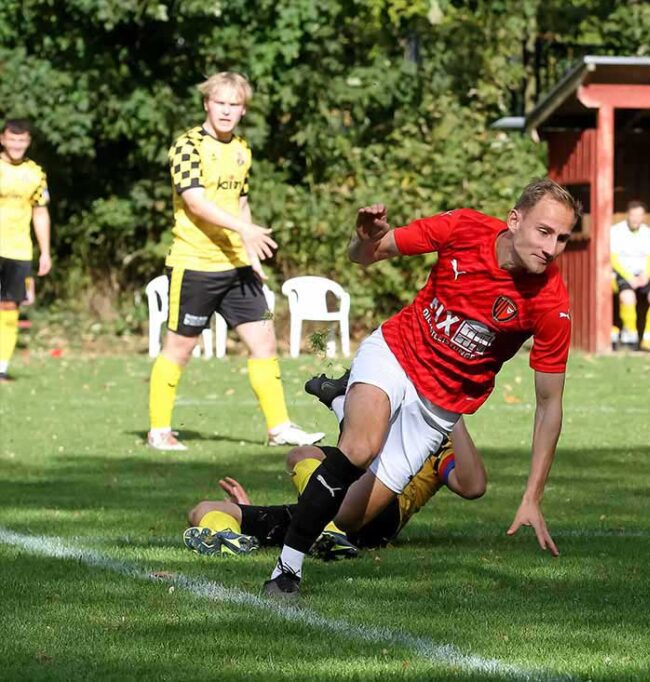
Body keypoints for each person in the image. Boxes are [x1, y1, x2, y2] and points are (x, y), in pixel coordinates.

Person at [261, 178, 577, 599]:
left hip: (438, 408)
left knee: (354, 517)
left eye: (562, 238)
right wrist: (363, 241)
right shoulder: (464, 229)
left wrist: (533, 496)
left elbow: (549, 405)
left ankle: (340, 401)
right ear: (514, 220)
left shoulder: (551, 302)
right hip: (396, 352)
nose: (551, 247)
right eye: (544, 231)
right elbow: (366, 255)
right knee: (359, 447)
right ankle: (287, 571)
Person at [147, 72, 323, 451]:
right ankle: (159, 430)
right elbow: (195, 201)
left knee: (264, 343)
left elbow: (240, 202)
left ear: (243, 110)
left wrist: (250, 256)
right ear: (207, 104)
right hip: (195, 264)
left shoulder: (242, 148)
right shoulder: (188, 146)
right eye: (220, 103)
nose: (226, 111)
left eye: (234, 105)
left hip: (236, 268)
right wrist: (245, 232)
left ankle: (279, 428)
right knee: (179, 348)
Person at [184, 379, 486, 557]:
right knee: (203, 510)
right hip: (325, 512)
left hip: (377, 513)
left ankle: (328, 531)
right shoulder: (372, 435)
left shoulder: (431, 442)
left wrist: (451, 412)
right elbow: (336, 468)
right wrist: (248, 510)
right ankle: (234, 541)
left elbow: (472, 486)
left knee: (302, 456)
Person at [0, 119, 51, 383]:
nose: (17, 145)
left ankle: (1, 367)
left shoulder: (35, 173)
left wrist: (45, 252)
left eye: (22, 140)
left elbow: (40, 213)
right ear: (3, 139)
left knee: (9, 306)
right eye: (12, 139)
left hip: (18, 250)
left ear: (28, 142)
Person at [610, 201, 650, 351]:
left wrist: (646, 276)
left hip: (643, 275)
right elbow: (614, 259)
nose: (636, 219)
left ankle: (648, 339)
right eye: (633, 215)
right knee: (627, 297)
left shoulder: (649, 233)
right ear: (628, 215)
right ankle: (632, 337)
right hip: (622, 274)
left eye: (639, 216)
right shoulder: (616, 231)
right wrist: (629, 277)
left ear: (643, 217)